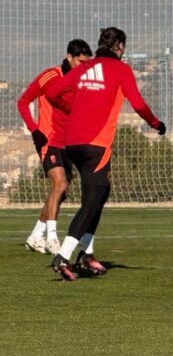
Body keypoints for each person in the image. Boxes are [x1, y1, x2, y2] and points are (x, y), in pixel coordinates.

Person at [44, 27, 165, 281]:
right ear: (119, 47)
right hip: (96, 144)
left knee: (101, 191)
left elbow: (52, 93)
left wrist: (72, 108)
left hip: (72, 142)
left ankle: (87, 254)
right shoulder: (121, 70)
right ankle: (64, 256)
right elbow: (139, 104)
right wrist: (156, 124)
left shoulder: (82, 68)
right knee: (91, 201)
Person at [16, 39, 93, 254]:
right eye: (80, 61)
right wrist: (34, 129)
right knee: (59, 184)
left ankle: (35, 236)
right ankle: (52, 239)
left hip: (69, 141)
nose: (83, 66)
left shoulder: (83, 81)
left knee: (63, 191)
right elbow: (23, 102)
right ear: (69, 56)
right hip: (48, 139)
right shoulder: (50, 76)